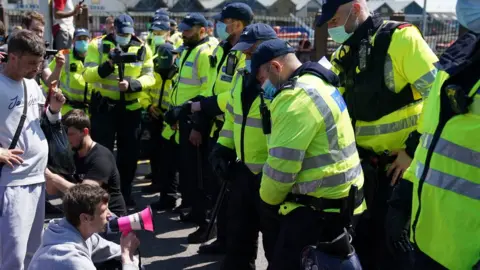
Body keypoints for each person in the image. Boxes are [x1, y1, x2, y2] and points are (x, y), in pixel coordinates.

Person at [317, 0, 439, 268]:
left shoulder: (401, 38)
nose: (331, 25)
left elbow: (437, 92)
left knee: (396, 247)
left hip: (399, 169)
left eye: (335, 18)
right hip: (361, 170)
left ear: (357, 7)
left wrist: (413, 149)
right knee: (364, 246)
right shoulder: (344, 52)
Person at [251, 38, 366, 270]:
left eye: (263, 80)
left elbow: (281, 169)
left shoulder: (294, 99)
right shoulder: (318, 83)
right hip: (343, 202)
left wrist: (266, 202)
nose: (264, 87)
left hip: (316, 212)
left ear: (275, 67)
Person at [402, 1, 480, 269]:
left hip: (468, 256)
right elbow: (430, 137)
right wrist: (405, 190)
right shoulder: (460, 57)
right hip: (427, 240)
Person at [211, 23, 278, 267]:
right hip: (243, 172)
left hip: (271, 174)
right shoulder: (242, 79)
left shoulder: (281, 83)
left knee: (276, 246)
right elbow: (232, 118)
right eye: (245, 53)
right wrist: (223, 147)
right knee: (238, 242)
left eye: (251, 53)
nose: (247, 58)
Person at [186, 2, 252, 246]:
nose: (219, 26)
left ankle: (231, 244)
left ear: (237, 24)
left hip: (236, 129)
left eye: (224, 22)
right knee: (218, 189)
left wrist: (205, 106)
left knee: (233, 195)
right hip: (218, 127)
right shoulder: (223, 49)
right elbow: (212, 87)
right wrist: (201, 119)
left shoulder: (246, 52)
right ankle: (222, 238)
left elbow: (235, 95)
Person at [0, 29, 65, 270]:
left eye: (39, 64)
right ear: (12, 57)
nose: (36, 69)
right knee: (12, 255)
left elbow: (36, 123)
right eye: (30, 64)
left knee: (33, 251)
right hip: (11, 183)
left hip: (36, 178)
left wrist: (54, 110)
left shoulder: (31, 84)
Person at [83, 14, 155, 207]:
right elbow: (87, 75)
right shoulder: (97, 46)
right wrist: (108, 64)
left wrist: (133, 84)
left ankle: (124, 194)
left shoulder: (142, 47)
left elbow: (150, 77)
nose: (125, 36)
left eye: (128, 33)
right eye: (121, 33)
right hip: (104, 109)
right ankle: (100, 195)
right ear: (113, 29)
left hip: (130, 110)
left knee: (129, 155)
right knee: (101, 154)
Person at [163, 13, 215, 242]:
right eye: (182, 30)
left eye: (188, 30)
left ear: (202, 30)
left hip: (195, 120)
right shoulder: (190, 49)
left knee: (199, 174)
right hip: (184, 118)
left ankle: (205, 222)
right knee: (188, 171)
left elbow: (206, 90)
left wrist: (187, 112)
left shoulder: (204, 53)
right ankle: (195, 213)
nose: (183, 33)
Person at [28, 184, 140, 270]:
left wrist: (126, 250)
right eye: (103, 211)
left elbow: (112, 250)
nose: (109, 215)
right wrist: (127, 257)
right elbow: (125, 254)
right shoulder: (71, 258)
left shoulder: (77, 231)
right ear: (85, 218)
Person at [44, 109, 127, 217]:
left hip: (110, 218)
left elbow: (85, 195)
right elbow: (51, 191)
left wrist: (53, 177)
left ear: (85, 132)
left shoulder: (101, 157)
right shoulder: (72, 154)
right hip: (86, 217)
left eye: (70, 134)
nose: (66, 139)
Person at [142, 43, 180, 210]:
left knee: (171, 162)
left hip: (172, 120)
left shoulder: (178, 74)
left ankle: (171, 196)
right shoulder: (154, 72)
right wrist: (149, 106)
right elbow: (145, 92)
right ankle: (158, 185)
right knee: (155, 154)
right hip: (154, 117)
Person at [48, 28, 91, 115]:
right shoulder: (65, 56)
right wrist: (53, 95)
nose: (82, 42)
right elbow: (48, 78)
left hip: (89, 112)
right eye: (79, 39)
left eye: (85, 39)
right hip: (68, 110)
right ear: (73, 41)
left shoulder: (93, 57)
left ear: (89, 40)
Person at [20, 11, 66, 87]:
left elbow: (50, 83)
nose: (39, 35)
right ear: (24, 28)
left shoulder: (40, 54)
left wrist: (59, 66)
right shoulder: (9, 50)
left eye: (41, 31)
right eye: (36, 30)